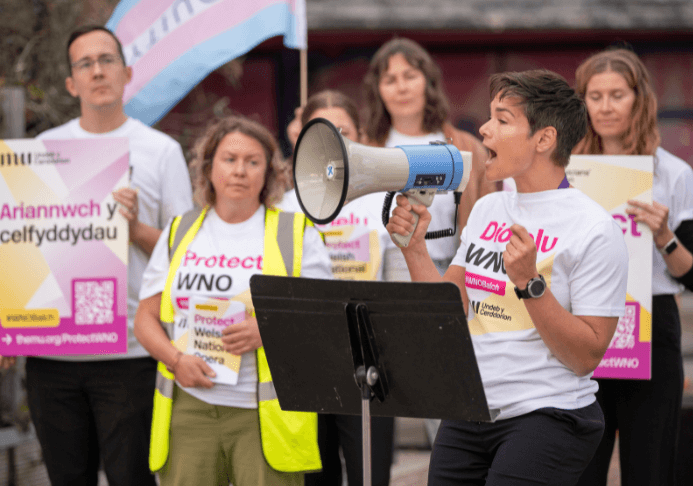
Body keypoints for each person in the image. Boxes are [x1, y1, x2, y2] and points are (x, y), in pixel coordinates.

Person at [386, 69, 629, 485]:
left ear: (544, 139)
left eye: (502, 119)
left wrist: (530, 285)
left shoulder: (595, 228)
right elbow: (449, 312)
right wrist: (414, 250)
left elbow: (586, 356)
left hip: (549, 415)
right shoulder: (488, 209)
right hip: (471, 409)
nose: (483, 129)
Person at [22, 25, 193, 486]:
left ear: (127, 72)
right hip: (51, 355)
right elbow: (19, 249)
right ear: (71, 83)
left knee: (132, 478)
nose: (97, 70)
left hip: (131, 353)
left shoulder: (161, 152)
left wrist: (134, 229)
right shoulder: (41, 152)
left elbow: (186, 255)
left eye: (107, 60)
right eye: (85, 63)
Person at [135, 115, 333, 486]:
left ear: (269, 173)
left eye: (253, 161)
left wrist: (270, 328)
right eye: (229, 159)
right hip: (190, 408)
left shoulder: (296, 232)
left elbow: (325, 315)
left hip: (265, 418)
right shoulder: (179, 231)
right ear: (209, 168)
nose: (239, 171)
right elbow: (145, 318)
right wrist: (176, 360)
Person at [573, 48, 693, 486]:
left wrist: (664, 236)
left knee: (649, 470)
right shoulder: (566, 174)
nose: (605, 106)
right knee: (582, 470)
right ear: (582, 101)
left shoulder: (673, 174)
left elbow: (691, 274)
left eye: (617, 95)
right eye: (595, 95)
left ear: (638, 98)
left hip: (651, 326)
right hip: (582, 327)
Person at [279, 90, 396, 486]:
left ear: (360, 134)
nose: (334, 143)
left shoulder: (384, 202)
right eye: (322, 132)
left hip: (372, 362)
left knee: (371, 476)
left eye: (342, 131)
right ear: (302, 140)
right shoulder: (282, 208)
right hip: (308, 362)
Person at [362, 37, 494, 279]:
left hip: (457, 269)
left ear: (428, 82)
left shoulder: (468, 147)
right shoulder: (365, 150)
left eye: (410, 76)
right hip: (387, 270)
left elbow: (490, 218)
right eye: (390, 80)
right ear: (377, 90)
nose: (401, 87)